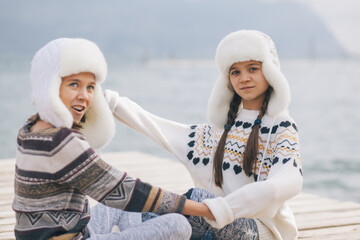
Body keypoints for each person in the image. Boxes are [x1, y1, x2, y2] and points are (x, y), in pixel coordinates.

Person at [104, 30, 303, 240]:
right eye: (235, 72)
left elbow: (287, 180)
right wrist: (112, 103)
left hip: (262, 231)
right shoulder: (221, 128)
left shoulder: (281, 126)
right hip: (212, 224)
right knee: (122, 207)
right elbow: (163, 130)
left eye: (252, 69)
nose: (244, 78)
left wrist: (222, 207)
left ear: (270, 71)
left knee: (195, 201)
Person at [13, 38, 215, 240]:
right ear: (49, 85)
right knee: (177, 224)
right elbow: (125, 190)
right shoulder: (62, 141)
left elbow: (113, 188)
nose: (85, 96)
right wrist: (203, 210)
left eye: (91, 87)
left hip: (73, 230)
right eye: (74, 84)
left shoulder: (29, 130)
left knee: (117, 208)